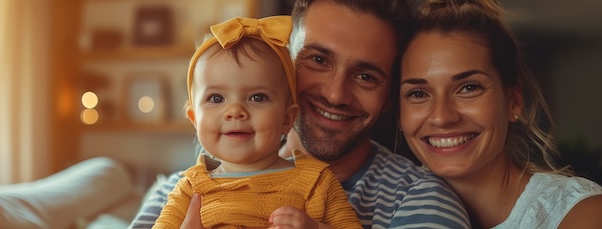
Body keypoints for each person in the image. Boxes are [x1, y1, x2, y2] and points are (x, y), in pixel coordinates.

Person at [129, 0, 471, 228]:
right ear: (285, 64)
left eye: (366, 76)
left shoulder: (420, 200)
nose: (335, 94)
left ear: (389, 96)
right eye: (318, 60)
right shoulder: (179, 190)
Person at [398, 0, 602, 228]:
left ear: (513, 101)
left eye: (468, 88)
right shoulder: (381, 210)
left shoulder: (581, 213)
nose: (441, 117)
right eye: (418, 93)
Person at [154, 15, 362, 229]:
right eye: (216, 98)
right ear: (195, 119)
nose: (235, 111)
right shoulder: (189, 188)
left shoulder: (316, 182)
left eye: (257, 97)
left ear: (287, 118)